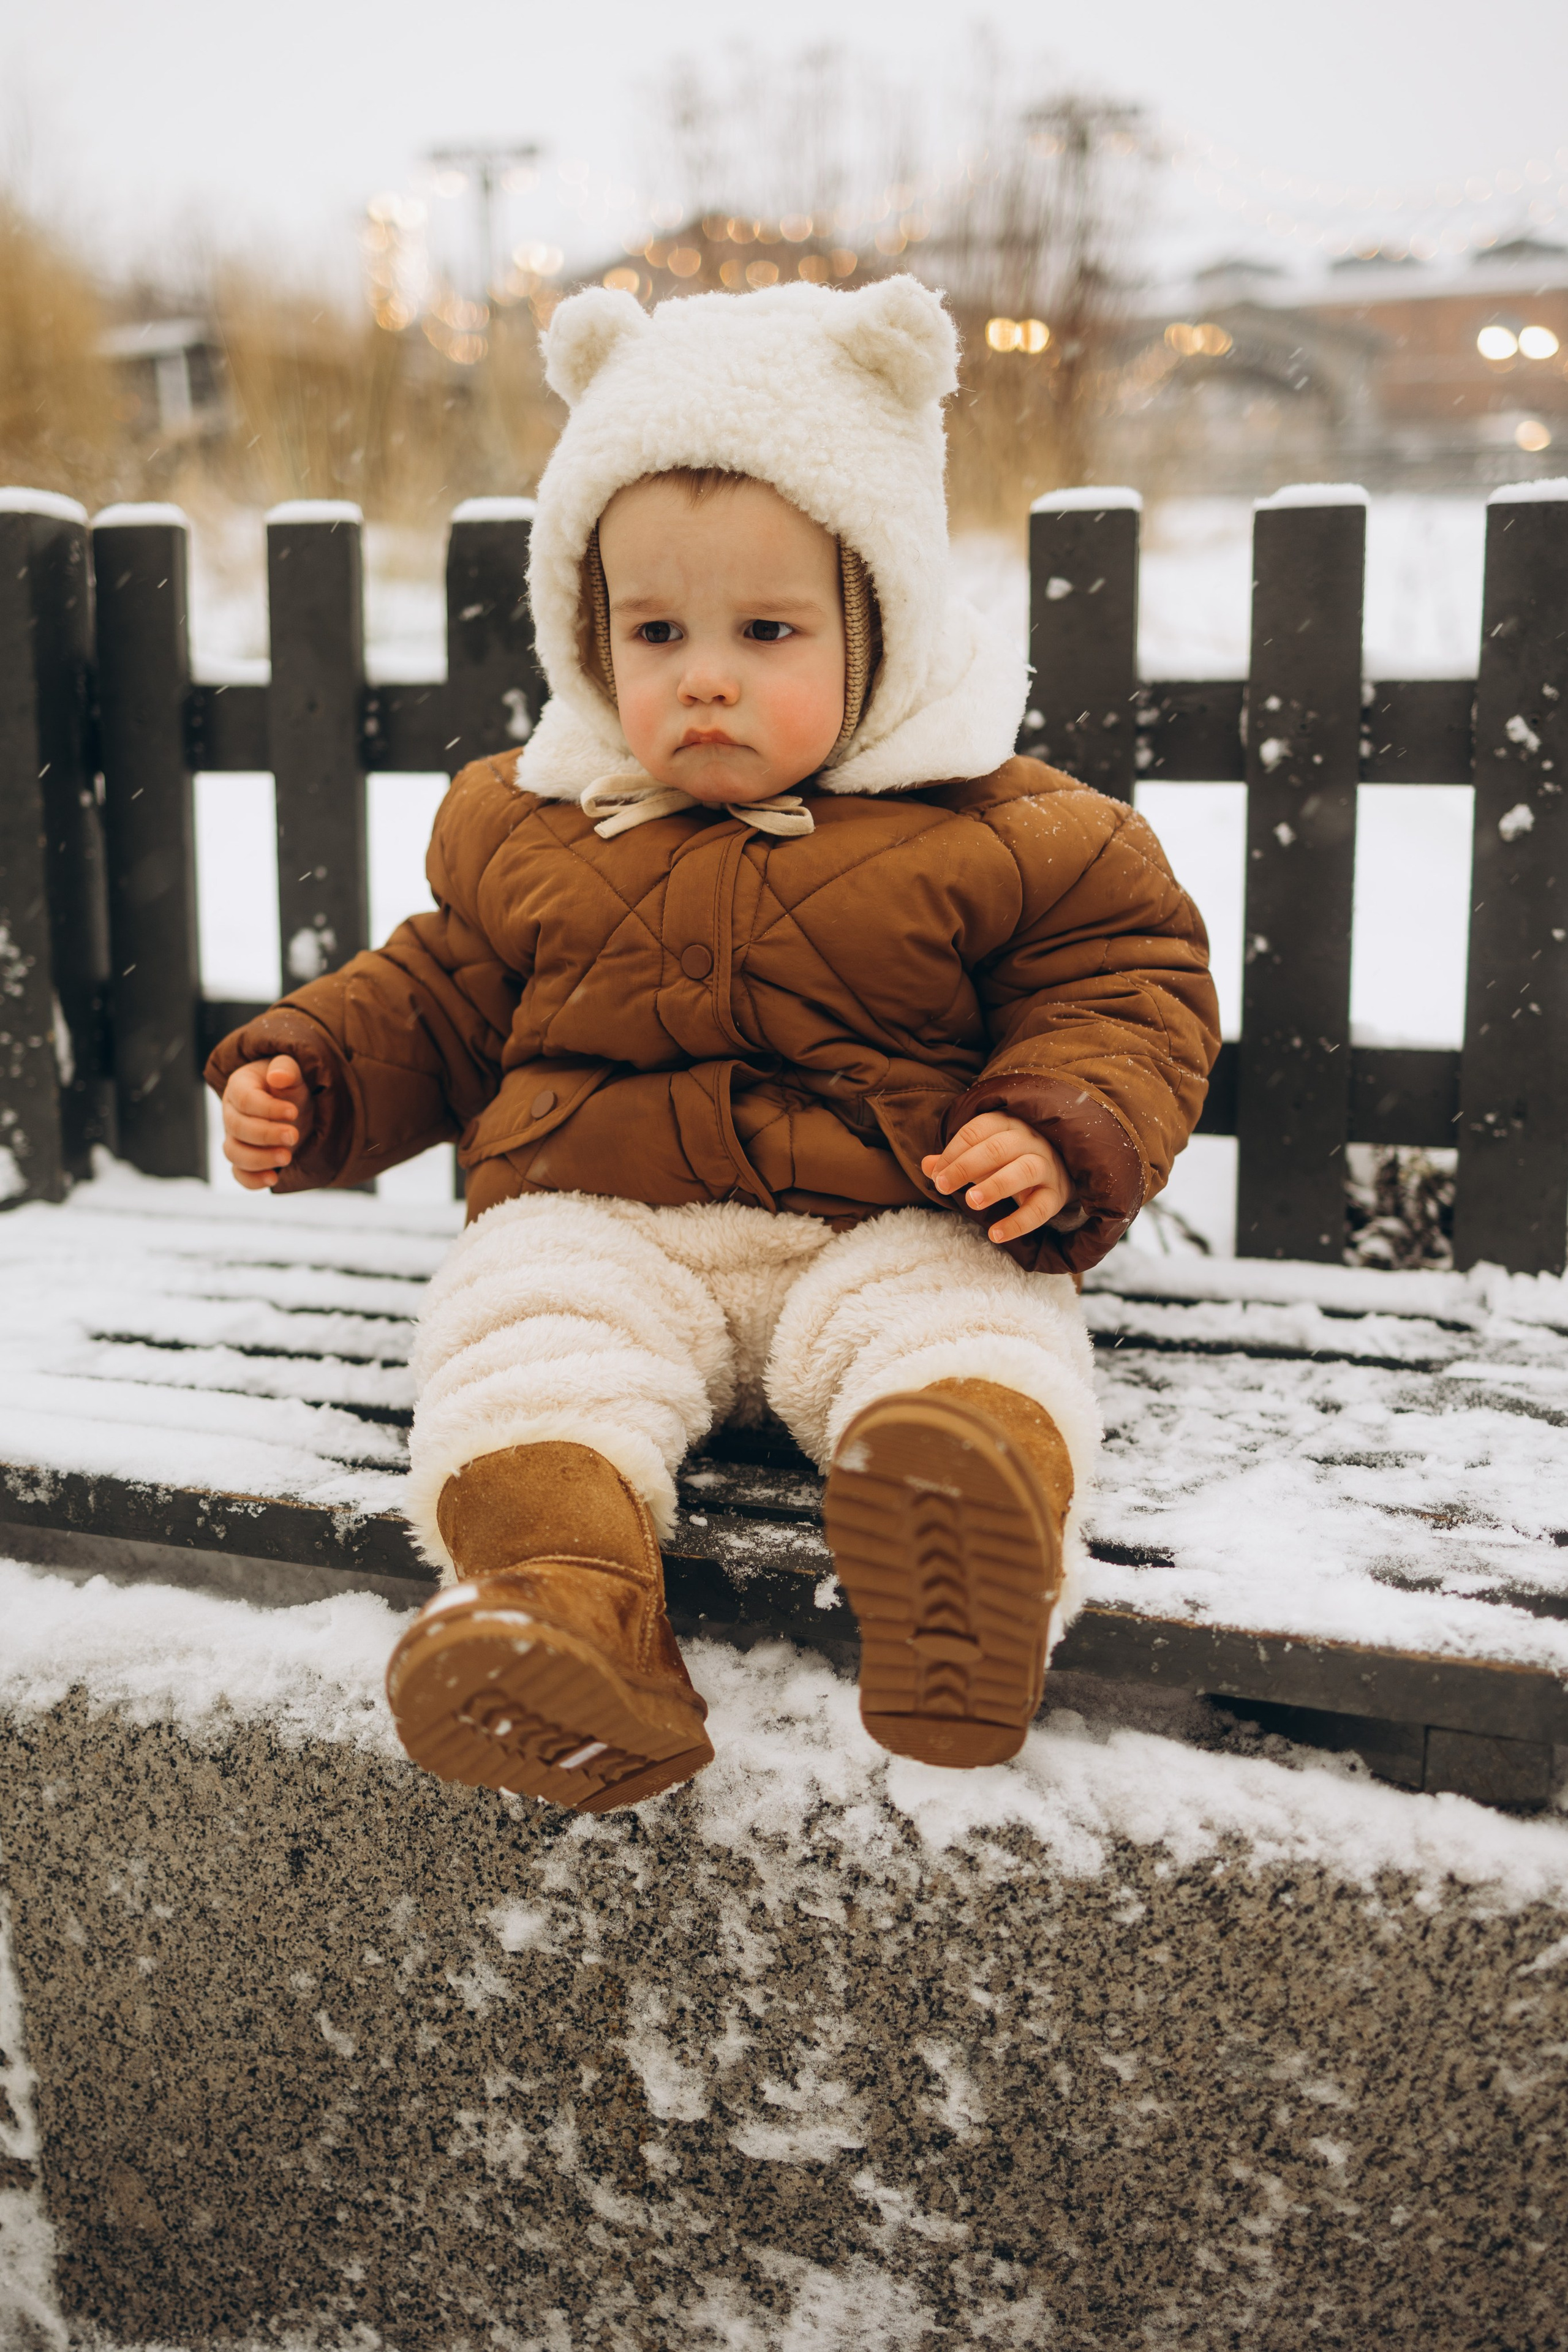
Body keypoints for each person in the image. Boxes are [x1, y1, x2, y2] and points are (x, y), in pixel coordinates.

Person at [207, 275, 1219, 1815]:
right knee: (519, 1339)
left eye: (765, 629)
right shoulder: (535, 826)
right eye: (656, 630)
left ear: (873, 624)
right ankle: (563, 1609)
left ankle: (959, 1526)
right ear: (586, 631)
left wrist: (1054, 1120)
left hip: (891, 1203)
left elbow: (1125, 986)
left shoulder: (1006, 831)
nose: (703, 675)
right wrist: (319, 1073)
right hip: (603, 1217)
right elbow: (441, 990)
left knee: (969, 1321)